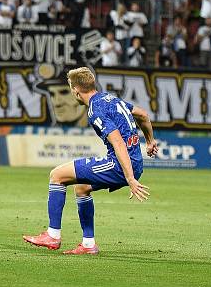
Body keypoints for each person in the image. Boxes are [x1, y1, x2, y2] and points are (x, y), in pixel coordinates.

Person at [23, 67, 157, 255]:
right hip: (134, 162)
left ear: (76, 90)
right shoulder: (110, 99)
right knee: (82, 187)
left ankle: (53, 235)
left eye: (70, 88)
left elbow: (118, 143)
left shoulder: (96, 110)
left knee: (57, 175)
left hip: (120, 164)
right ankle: (88, 244)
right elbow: (142, 114)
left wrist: (130, 178)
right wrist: (150, 141)